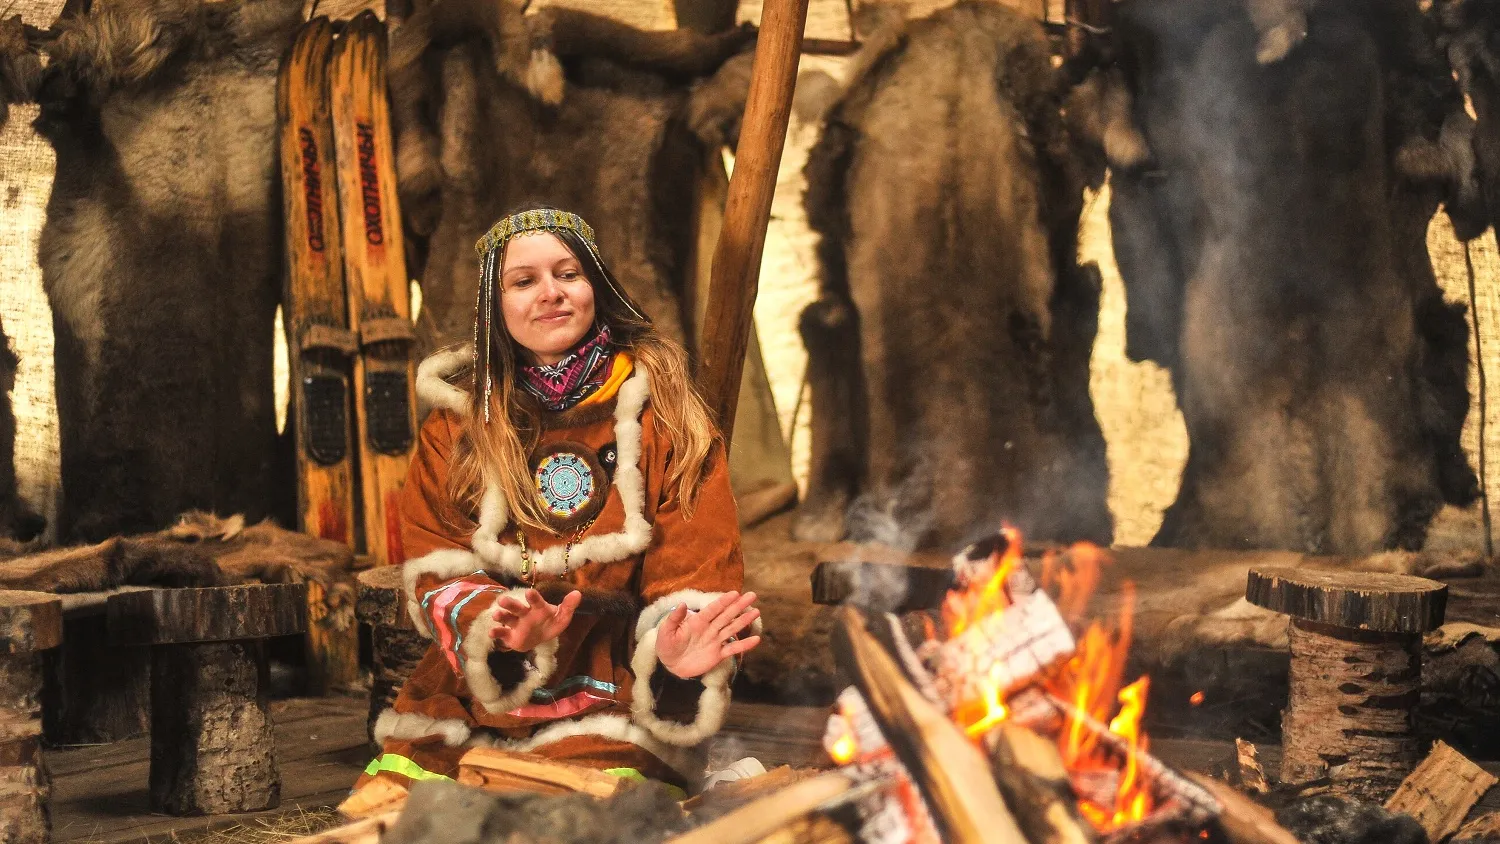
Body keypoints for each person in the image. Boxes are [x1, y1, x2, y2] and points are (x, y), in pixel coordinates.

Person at [357, 206, 762, 794]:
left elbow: (696, 559)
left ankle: (694, 782)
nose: (551, 293)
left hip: (614, 673)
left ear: (595, 285)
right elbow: (435, 551)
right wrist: (497, 626)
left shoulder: (666, 413)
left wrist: (674, 651)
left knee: (577, 811)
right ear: (496, 307)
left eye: (568, 274)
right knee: (408, 807)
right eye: (524, 282)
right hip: (485, 682)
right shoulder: (461, 423)